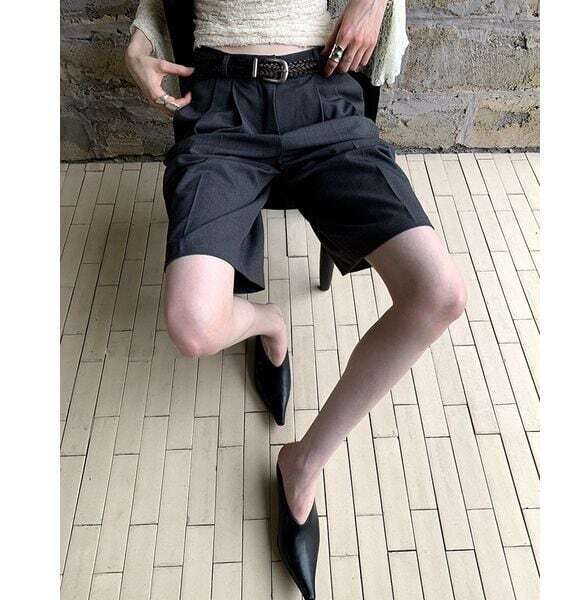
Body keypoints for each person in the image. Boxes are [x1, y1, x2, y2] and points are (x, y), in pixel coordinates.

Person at [126, 2, 467, 598]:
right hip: (221, 107)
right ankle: (269, 321)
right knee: (193, 326)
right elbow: (158, 7)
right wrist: (136, 43)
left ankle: (303, 464)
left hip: (323, 95)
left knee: (439, 294)